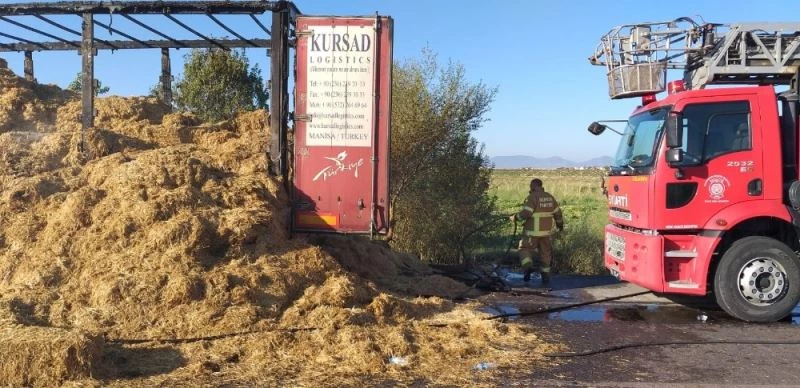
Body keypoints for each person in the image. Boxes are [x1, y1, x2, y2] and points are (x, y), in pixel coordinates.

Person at [511, 178, 564, 285]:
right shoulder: (550, 197)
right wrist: (560, 225)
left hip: (532, 233)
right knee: (545, 254)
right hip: (546, 233)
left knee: (523, 249)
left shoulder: (532, 197)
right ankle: (545, 277)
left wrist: (515, 217)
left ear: (533, 186)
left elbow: (526, 213)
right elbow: (558, 213)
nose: (529, 189)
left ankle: (528, 267)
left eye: (530, 187)